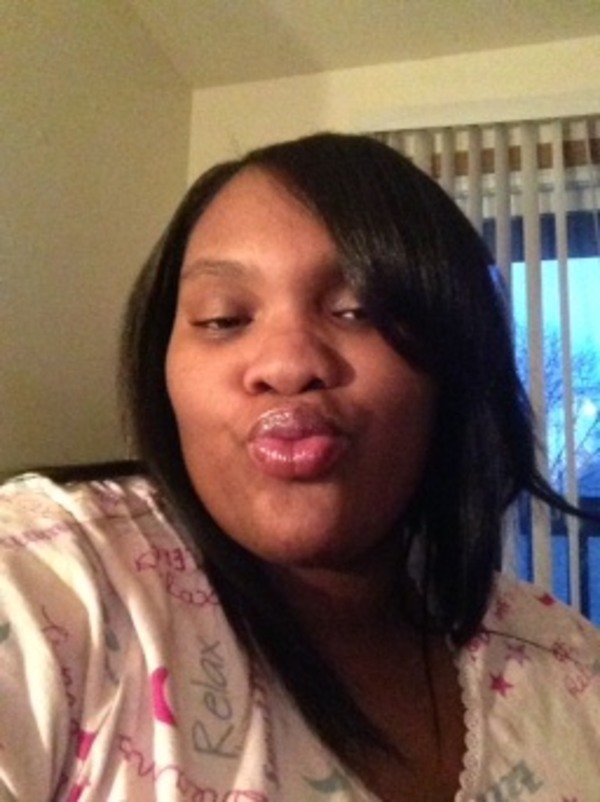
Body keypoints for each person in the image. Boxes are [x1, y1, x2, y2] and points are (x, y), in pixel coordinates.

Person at [0, 133, 598, 802]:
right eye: (223, 319)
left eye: (357, 310)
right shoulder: (50, 575)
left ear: (455, 365)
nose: (287, 365)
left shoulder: (564, 661)